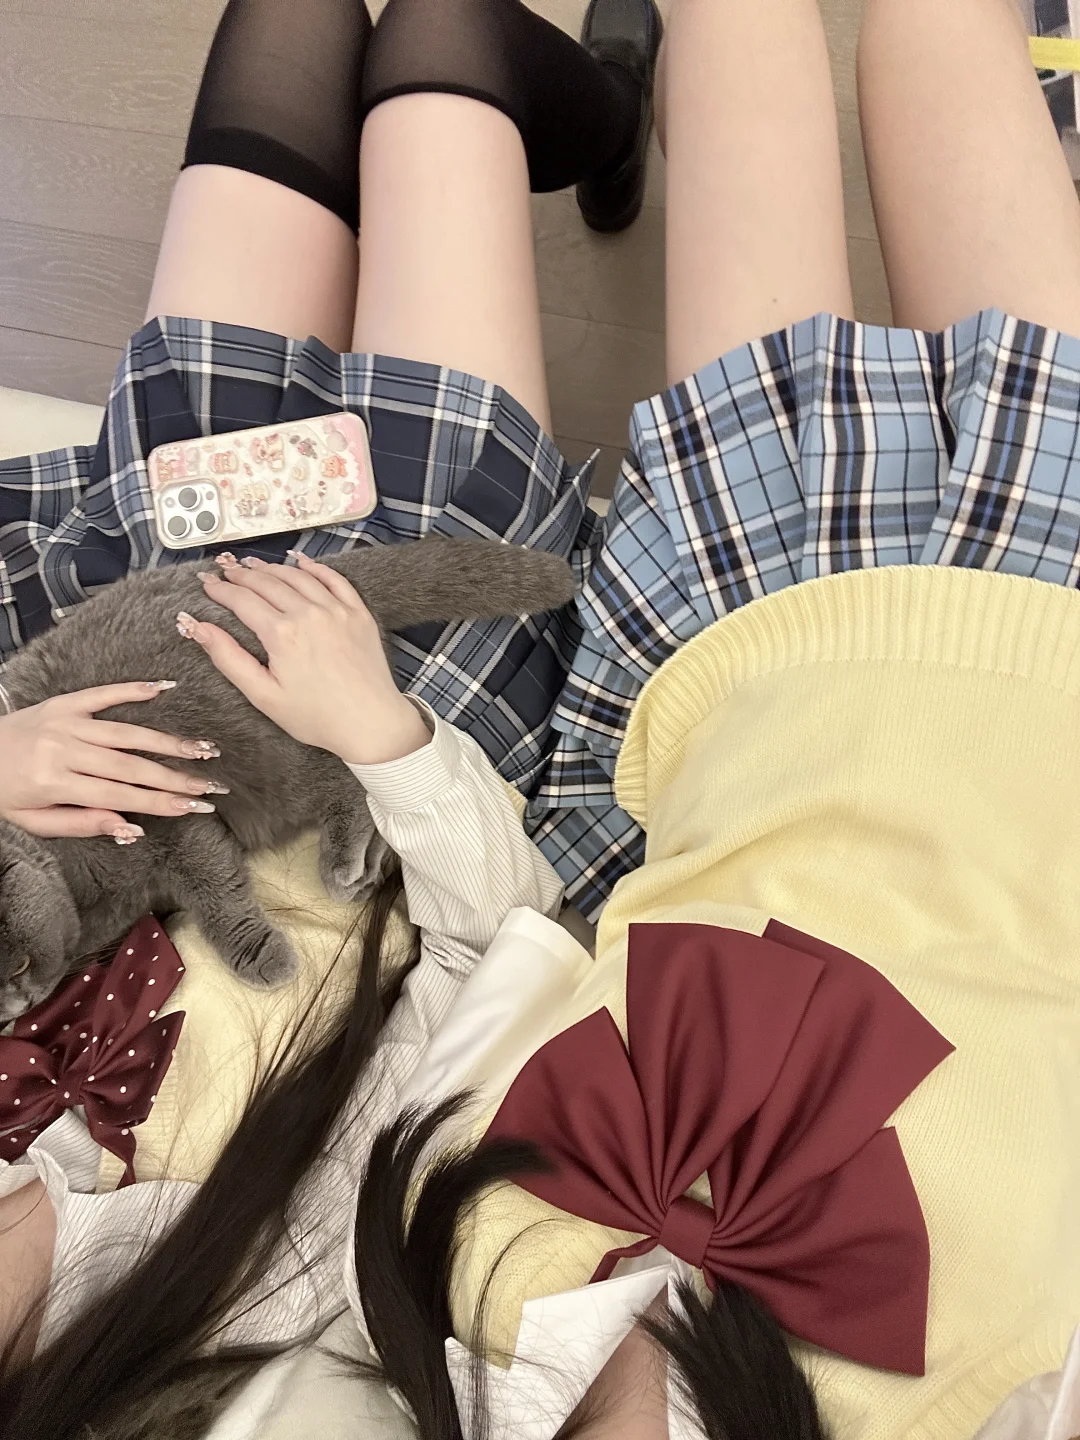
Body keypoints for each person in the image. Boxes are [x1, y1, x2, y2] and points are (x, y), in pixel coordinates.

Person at [0, 0, 661, 917]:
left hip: (129, 616)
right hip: (406, 731)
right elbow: (500, 956)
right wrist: (390, 744)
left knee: (293, 24)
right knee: (445, 38)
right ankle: (613, 122)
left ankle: (609, 118)